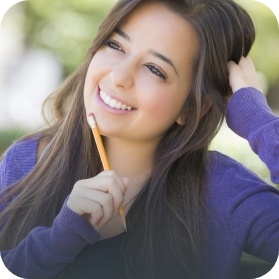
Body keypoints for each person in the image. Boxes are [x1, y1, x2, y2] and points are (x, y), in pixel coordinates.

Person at [0, 0, 278, 278]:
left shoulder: (225, 191)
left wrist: (258, 121)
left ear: (191, 108)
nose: (119, 76)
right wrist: (57, 240)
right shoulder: (26, 162)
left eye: (155, 69)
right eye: (116, 46)